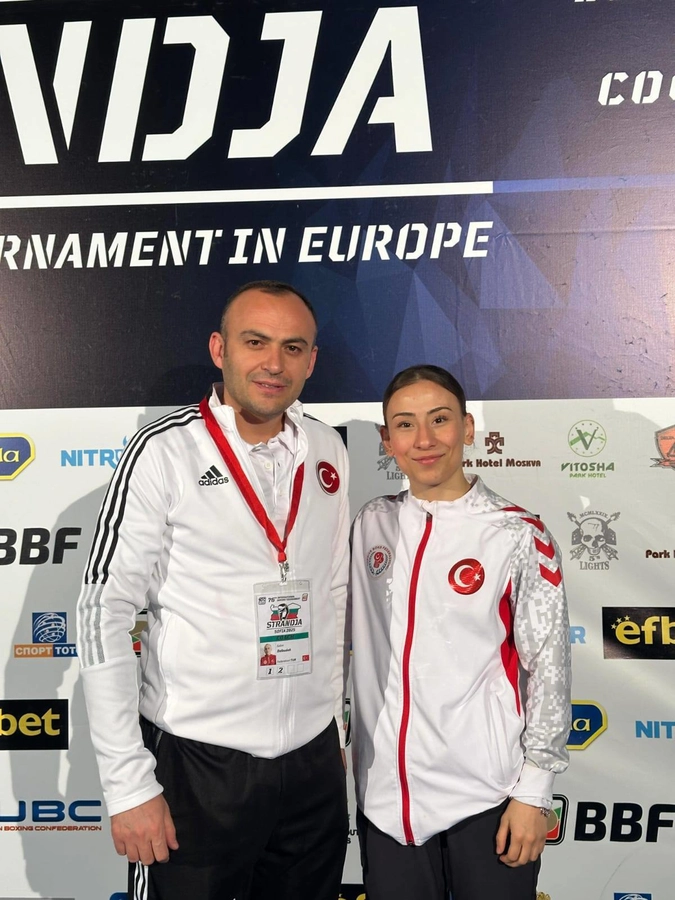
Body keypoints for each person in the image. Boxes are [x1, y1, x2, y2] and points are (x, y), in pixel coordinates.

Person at [76, 281, 350, 900]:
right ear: (219, 349)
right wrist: (128, 783)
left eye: (292, 347)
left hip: (311, 765)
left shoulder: (328, 448)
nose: (274, 363)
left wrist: (331, 729)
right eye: (256, 342)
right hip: (198, 766)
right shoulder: (164, 450)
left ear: (311, 361)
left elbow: (333, 599)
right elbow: (103, 611)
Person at [349, 365, 571, 900]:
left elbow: (550, 667)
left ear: (467, 428)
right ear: (387, 440)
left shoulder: (517, 533)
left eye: (440, 419)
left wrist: (534, 791)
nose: (424, 440)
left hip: (488, 799)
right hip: (386, 801)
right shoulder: (370, 524)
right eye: (405, 424)